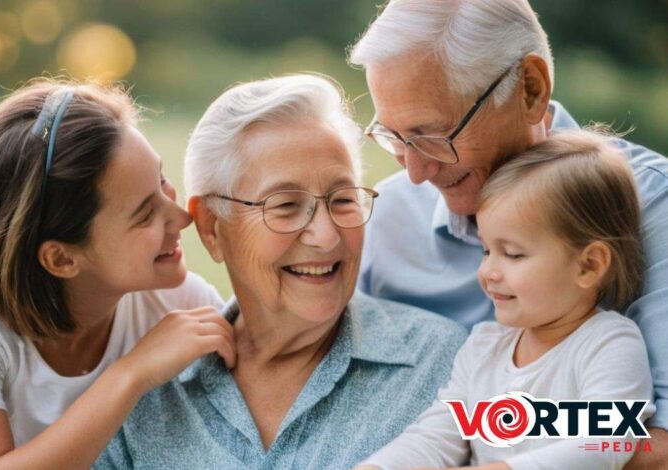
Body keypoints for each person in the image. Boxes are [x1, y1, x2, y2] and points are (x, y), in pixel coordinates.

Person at [348, 1, 668, 465]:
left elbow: (628, 439)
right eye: (396, 138)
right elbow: (440, 430)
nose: (416, 173)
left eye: (434, 133)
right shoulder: (391, 219)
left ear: (531, 90)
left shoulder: (650, 215)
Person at [93, 74, 467, 469]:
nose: (325, 236)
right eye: (286, 206)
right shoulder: (145, 396)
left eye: (342, 200)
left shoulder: (448, 365)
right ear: (211, 228)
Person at [0, 80, 236, 469]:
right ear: (60, 259)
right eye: (145, 214)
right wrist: (132, 373)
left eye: (161, 180)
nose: (183, 217)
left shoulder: (175, 305)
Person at [356, 130, 654, 469]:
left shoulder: (607, 344)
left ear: (589, 265)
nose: (487, 272)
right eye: (486, 250)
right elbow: (437, 437)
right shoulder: (484, 348)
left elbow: (607, 441)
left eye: (512, 254)